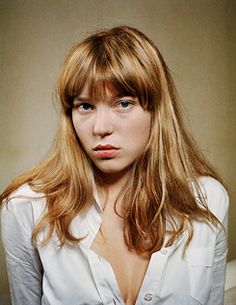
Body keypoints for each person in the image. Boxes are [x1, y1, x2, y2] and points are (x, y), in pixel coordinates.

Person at [0, 25, 228, 305]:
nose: (101, 127)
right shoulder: (27, 207)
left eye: (123, 103)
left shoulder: (208, 199)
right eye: (85, 106)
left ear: (157, 110)